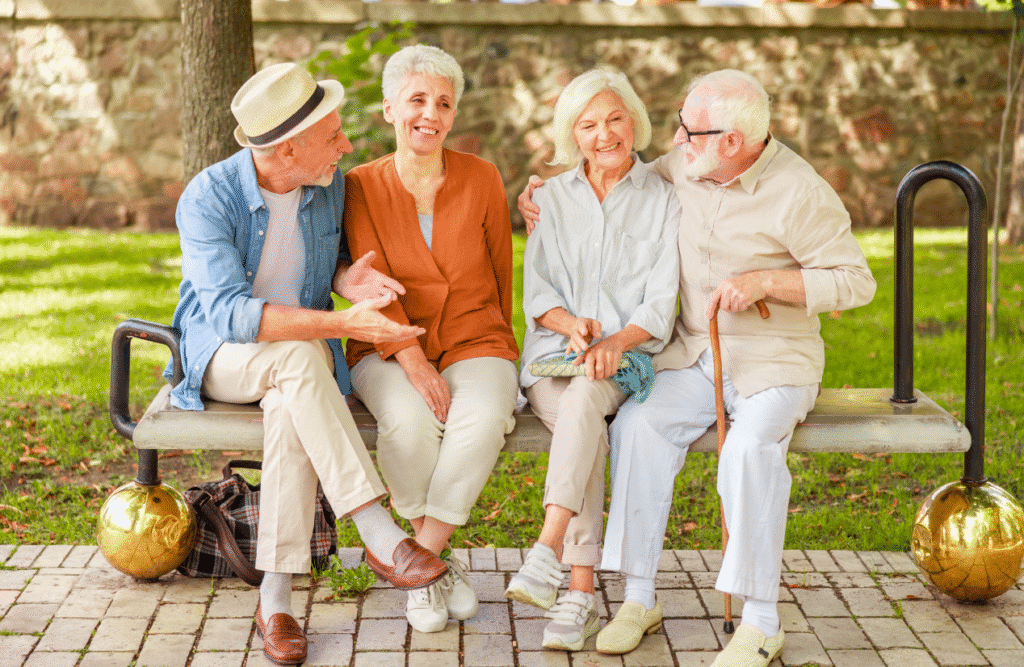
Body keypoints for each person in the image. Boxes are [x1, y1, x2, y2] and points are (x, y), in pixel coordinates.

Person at [519, 69, 876, 666]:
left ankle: (761, 620)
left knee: (749, 449)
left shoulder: (800, 191)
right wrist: (539, 193)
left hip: (774, 362)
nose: (676, 140)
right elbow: (614, 173)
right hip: (695, 356)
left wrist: (767, 281)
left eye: (690, 130)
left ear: (730, 142)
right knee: (638, 427)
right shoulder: (685, 162)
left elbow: (856, 281)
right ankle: (638, 597)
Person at [169, 62, 450, 666]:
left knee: (294, 400)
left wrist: (355, 280)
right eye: (333, 135)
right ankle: (376, 530)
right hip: (224, 357)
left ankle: (276, 599)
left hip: (296, 369)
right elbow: (231, 317)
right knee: (301, 357)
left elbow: (339, 263)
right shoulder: (209, 196)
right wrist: (342, 325)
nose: (346, 145)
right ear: (287, 147)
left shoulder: (327, 184)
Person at [343, 45, 520, 634]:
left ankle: (424, 557)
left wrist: (499, 348)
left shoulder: (483, 177)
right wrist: (413, 361)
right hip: (386, 344)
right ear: (390, 108)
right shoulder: (361, 186)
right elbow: (370, 284)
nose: (431, 113)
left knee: (485, 414)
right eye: (417, 99)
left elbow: (501, 275)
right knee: (409, 420)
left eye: (443, 103)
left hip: (476, 336)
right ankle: (436, 569)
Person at [504, 69, 679, 652]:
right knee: (586, 428)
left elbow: (661, 301)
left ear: (635, 123)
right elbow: (538, 292)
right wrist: (569, 323)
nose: (604, 134)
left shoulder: (663, 198)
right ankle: (577, 592)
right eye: (588, 124)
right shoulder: (550, 199)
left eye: (615, 119)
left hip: (623, 360)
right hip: (554, 359)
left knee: (587, 401)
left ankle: (549, 550)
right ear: (572, 135)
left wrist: (613, 342)